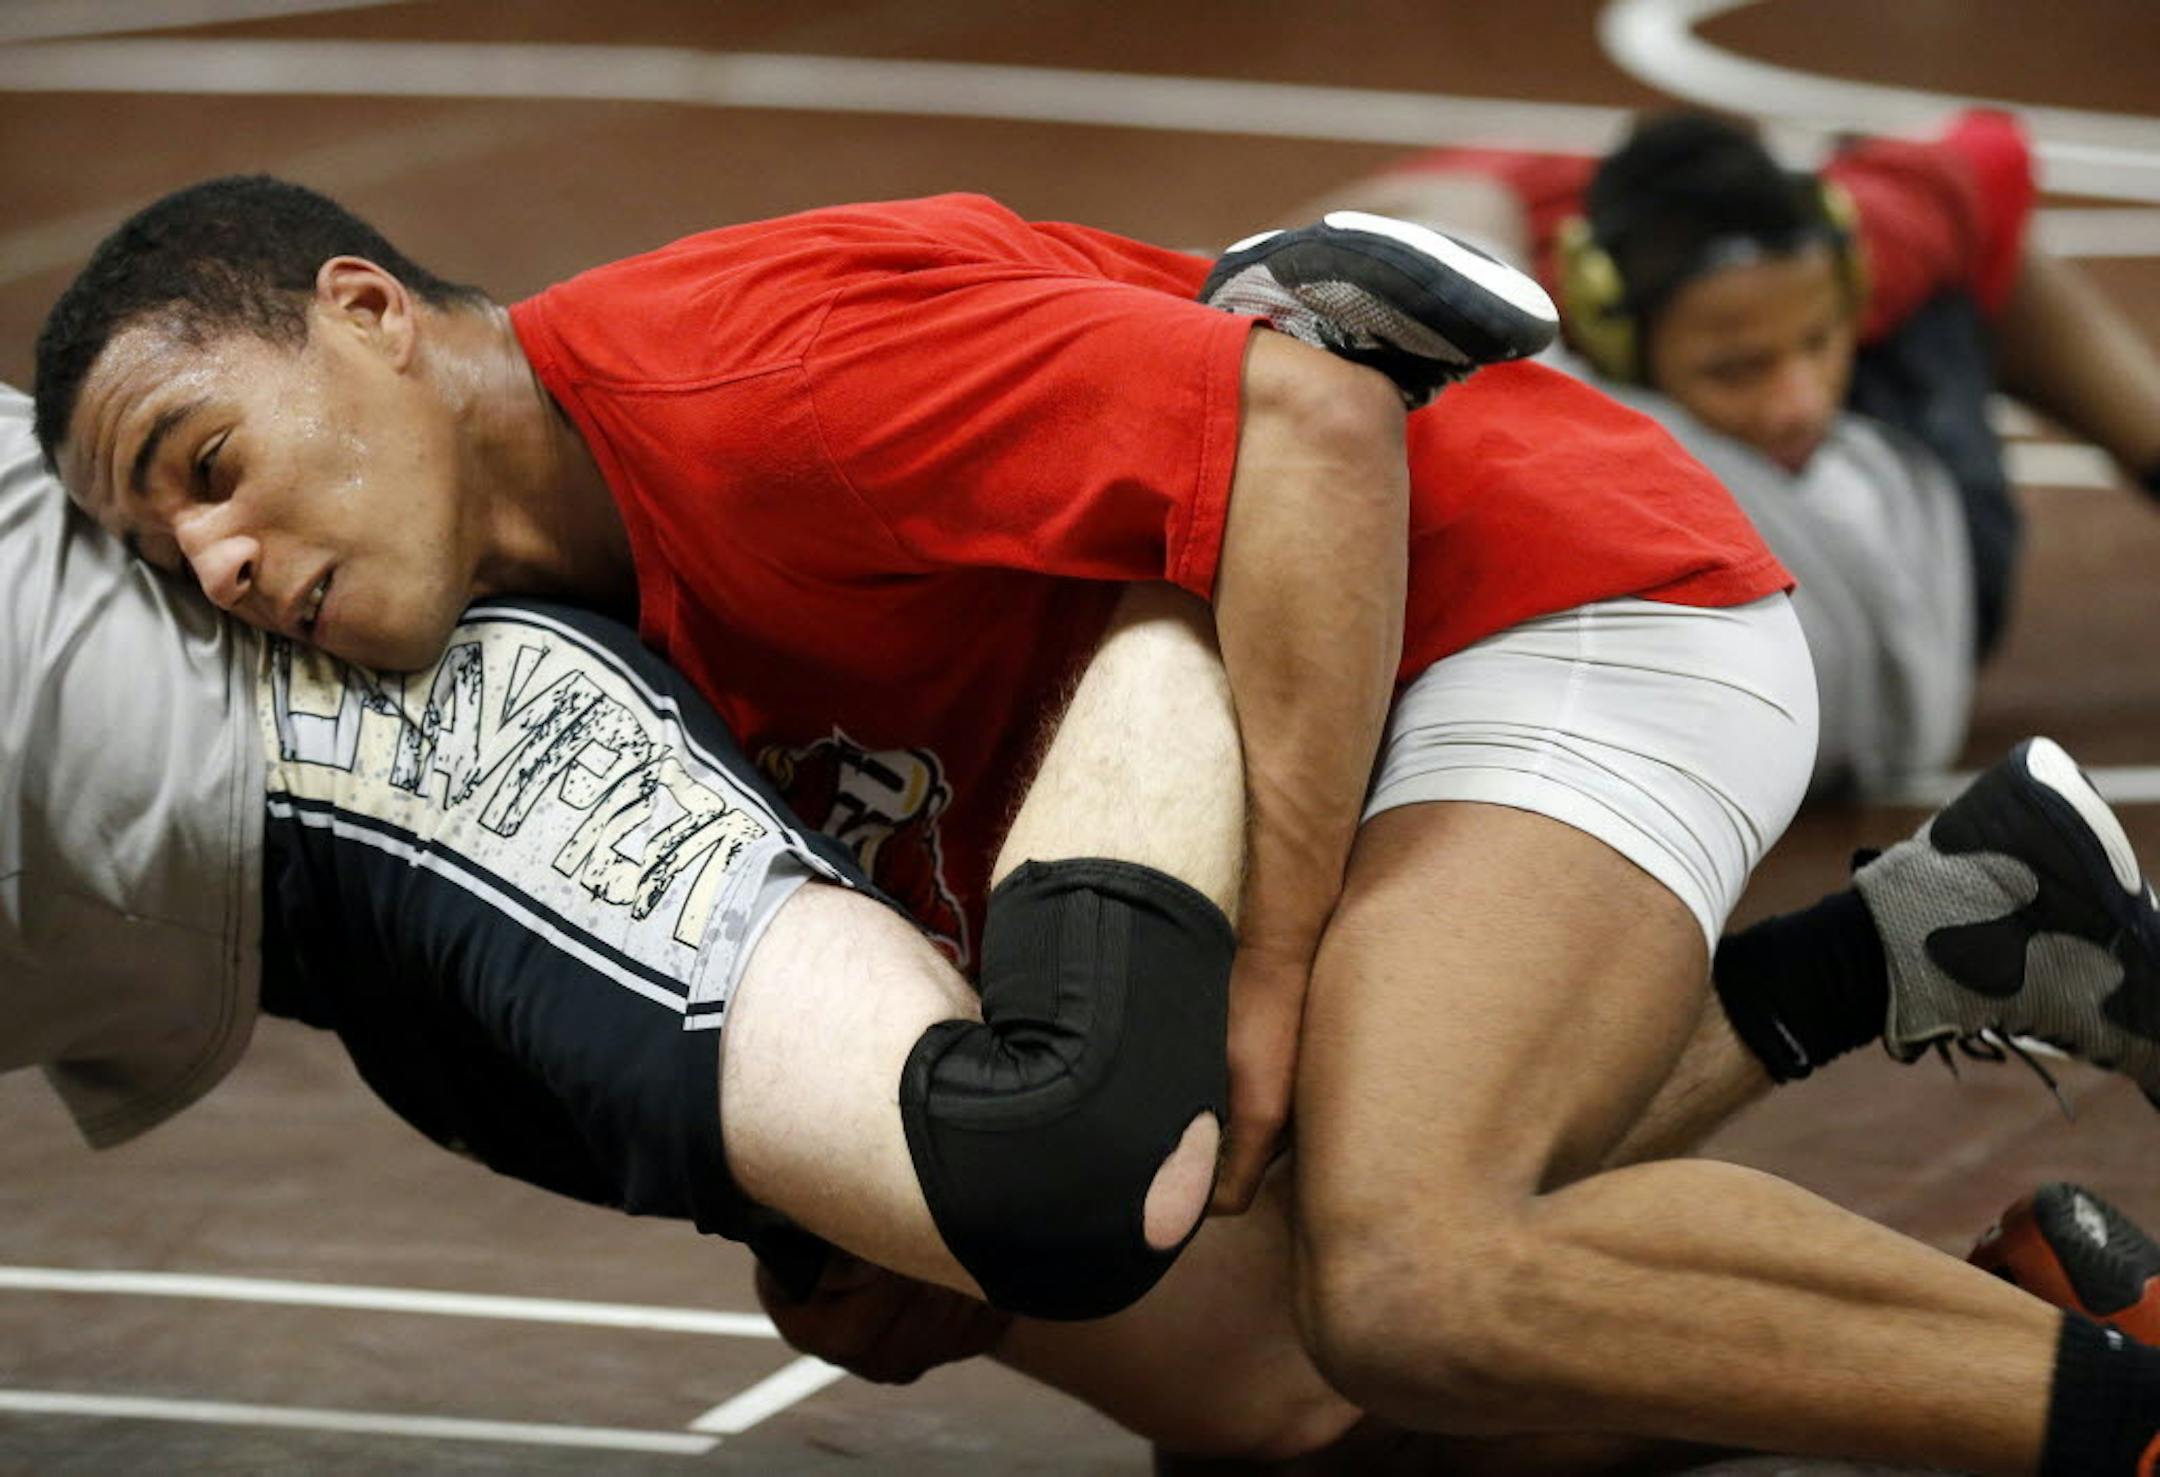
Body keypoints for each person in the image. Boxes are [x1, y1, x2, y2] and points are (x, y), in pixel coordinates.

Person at [31, 179, 2160, 1474]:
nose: (215, 563)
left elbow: (1317, 427)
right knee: (1279, 1406)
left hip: (1545, 601)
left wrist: (1273, 965)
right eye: (166, 545)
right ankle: (1914, 945)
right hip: (1332, 697)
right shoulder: (568, 610)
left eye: (207, 459)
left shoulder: (732, 382)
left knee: (1416, 1275)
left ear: (368, 315)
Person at [1324, 109, 2160, 796]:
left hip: (1854, 598)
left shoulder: (1546, 408)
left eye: (1821, 340)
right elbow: (1984, 157)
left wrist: (1567, 231)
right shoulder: (1582, 422)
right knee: (1968, 256)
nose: (1798, 403)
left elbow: (1438, 207)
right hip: (1937, 567)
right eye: (1737, 368)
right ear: (1609, 334)